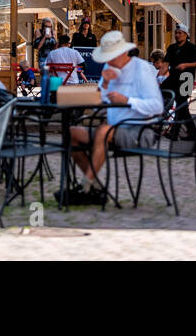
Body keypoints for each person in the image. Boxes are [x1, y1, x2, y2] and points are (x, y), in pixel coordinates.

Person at [62, 30, 164, 205]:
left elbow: (157, 106)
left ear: (123, 53)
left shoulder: (141, 69)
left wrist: (127, 101)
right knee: (72, 133)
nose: (108, 61)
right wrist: (106, 83)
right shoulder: (110, 68)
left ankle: (84, 186)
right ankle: (95, 187)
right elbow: (100, 100)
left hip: (140, 131)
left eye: (112, 57)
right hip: (113, 128)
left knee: (103, 131)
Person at [163, 24, 196, 139]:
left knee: (181, 105)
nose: (177, 35)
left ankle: (175, 133)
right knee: (181, 106)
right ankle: (192, 132)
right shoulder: (172, 48)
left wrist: (186, 65)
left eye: (180, 33)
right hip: (174, 78)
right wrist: (157, 77)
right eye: (176, 33)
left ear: (186, 35)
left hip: (186, 79)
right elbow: (165, 65)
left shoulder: (191, 47)